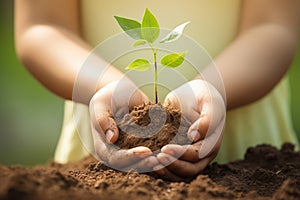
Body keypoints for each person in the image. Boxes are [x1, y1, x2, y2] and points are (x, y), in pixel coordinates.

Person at [14, 0, 300, 181]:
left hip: (248, 160)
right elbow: (41, 25)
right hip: (103, 156)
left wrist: (214, 88)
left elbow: (273, 24)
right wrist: (105, 85)